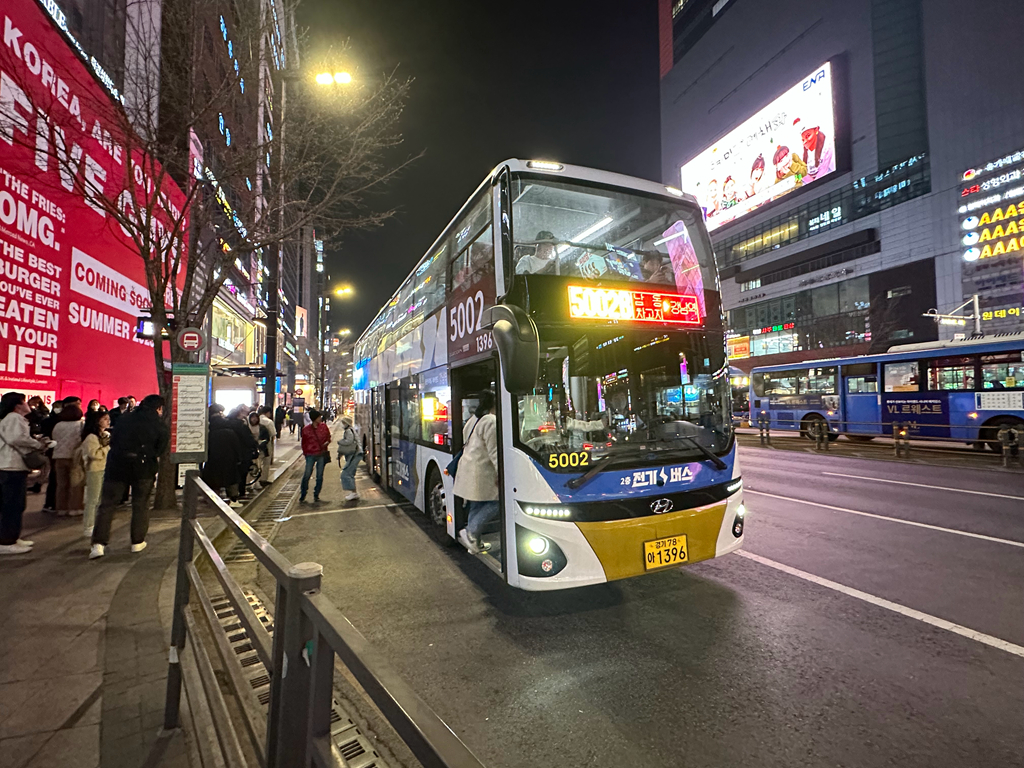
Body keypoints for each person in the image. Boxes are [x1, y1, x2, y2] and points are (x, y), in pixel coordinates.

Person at [90, 394, 169, 559]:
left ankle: (98, 545)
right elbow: (160, 448)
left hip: (117, 465)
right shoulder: (159, 424)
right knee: (140, 504)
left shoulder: (124, 418)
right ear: (159, 408)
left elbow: (114, 440)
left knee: (107, 505)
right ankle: (137, 541)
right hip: (143, 466)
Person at [0, 392, 50, 554]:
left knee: (15, 504)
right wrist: (36, 444)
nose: (28, 404)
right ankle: (6, 540)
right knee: (12, 505)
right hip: (11, 466)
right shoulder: (14, 418)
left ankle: (12, 537)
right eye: (24, 401)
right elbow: (16, 439)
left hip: (12, 466)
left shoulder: (11, 418)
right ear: (18, 405)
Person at [453, 390, 499, 554]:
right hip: (481, 471)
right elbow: (494, 451)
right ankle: (471, 532)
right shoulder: (491, 421)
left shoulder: (474, 419)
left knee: (476, 504)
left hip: (468, 468)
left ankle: (475, 543)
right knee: (498, 502)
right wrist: (500, 473)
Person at [202, 405, 244, 507]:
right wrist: (239, 458)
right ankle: (233, 499)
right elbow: (236, 446)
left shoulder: (207, 430)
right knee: (231, 479)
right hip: (229, 459)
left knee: (214, 480)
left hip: (213, 458)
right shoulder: (229, 428)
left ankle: (213, 500)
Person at [80, 409, 110, 538]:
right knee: (93, 499)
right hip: (95, 469)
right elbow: (94, 454)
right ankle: (89, 525)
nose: (108, 421)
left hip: (104, 468)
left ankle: (95, 524)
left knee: (99, 499)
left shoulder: (105, 435)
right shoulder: (91, 437)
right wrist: (108, 447)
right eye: (104, 419)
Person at [52, 403, 85, 516]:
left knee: (61, 485)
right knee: (76, 484)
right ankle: (75, 508)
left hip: (59, 457)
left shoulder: (58, 425)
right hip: (74, 457)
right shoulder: (80, 425)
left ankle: (61, 508)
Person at [299, 409, 331, 503]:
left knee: (319, 476)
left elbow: (328, 437)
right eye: (318, 417)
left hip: (321, 453)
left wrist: (327, 443)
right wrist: (305, 452)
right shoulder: (306, 429)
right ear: (314, 419)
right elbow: (303, 442)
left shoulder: (324, 427)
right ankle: (303, 493)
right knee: (307, 474)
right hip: (310, 454)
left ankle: (316, 494)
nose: (320, 418)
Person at [227, 407, 258, 496]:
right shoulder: (241, 426)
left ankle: (231, 493)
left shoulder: (226, 424)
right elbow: (249, 440)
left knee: (231, 474)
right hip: (243, 453)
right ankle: (241, 492)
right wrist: (255, 445)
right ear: (238, 415)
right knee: (242, 473)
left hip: (229, 453)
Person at [336, 415, 361, 502]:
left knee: (346, 474)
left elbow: (349, 441)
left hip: (355, 454)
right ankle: (353, 492)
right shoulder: (350, 430)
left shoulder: (348, 431)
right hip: (355, 454)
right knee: (350, 473)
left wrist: (340, 442)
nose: (342, 424)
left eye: (343, 423)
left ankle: (353, 493)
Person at [248, 411, 272, 487]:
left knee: (260, 465)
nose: (254, 419)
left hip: (261, 449)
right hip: (251, 450)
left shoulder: (262, 428)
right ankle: (250, 482)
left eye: (255, 417)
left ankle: (259, 481)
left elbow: (267, 438)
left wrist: (261, 443)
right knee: (252, 466)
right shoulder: (247, 428)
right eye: (252, 417)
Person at [259, 407, 276, 480]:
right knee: (266, 462)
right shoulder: (269, 422)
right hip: (267, 443)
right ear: (268, 413)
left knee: (258, 461)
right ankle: (263, 479)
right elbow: (273, 433)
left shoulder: (256, 419)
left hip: (256, 443)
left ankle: (255, 480)